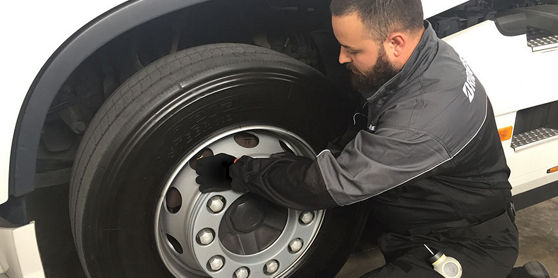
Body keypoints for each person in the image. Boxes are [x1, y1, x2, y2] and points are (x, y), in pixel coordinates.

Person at [193, 0, 533, 277]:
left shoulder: (422, 120)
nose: (342, 57)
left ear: (396, 42)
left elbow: (325, 185)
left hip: (466, 241)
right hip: (422, 213)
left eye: (351, 50)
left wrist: (239, 170)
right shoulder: (426, 56)